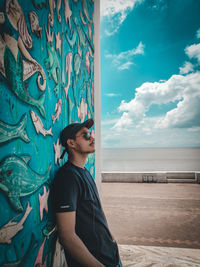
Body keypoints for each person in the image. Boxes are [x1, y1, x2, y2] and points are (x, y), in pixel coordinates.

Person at [52, 119, 122, 267]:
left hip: (109, 255)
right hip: (96, 260)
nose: (92, 137)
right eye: (86, 135)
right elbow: (67, 236)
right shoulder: (68, 178)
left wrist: (111, 240)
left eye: (91, 134)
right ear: (71, 143)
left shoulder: (84, 172)